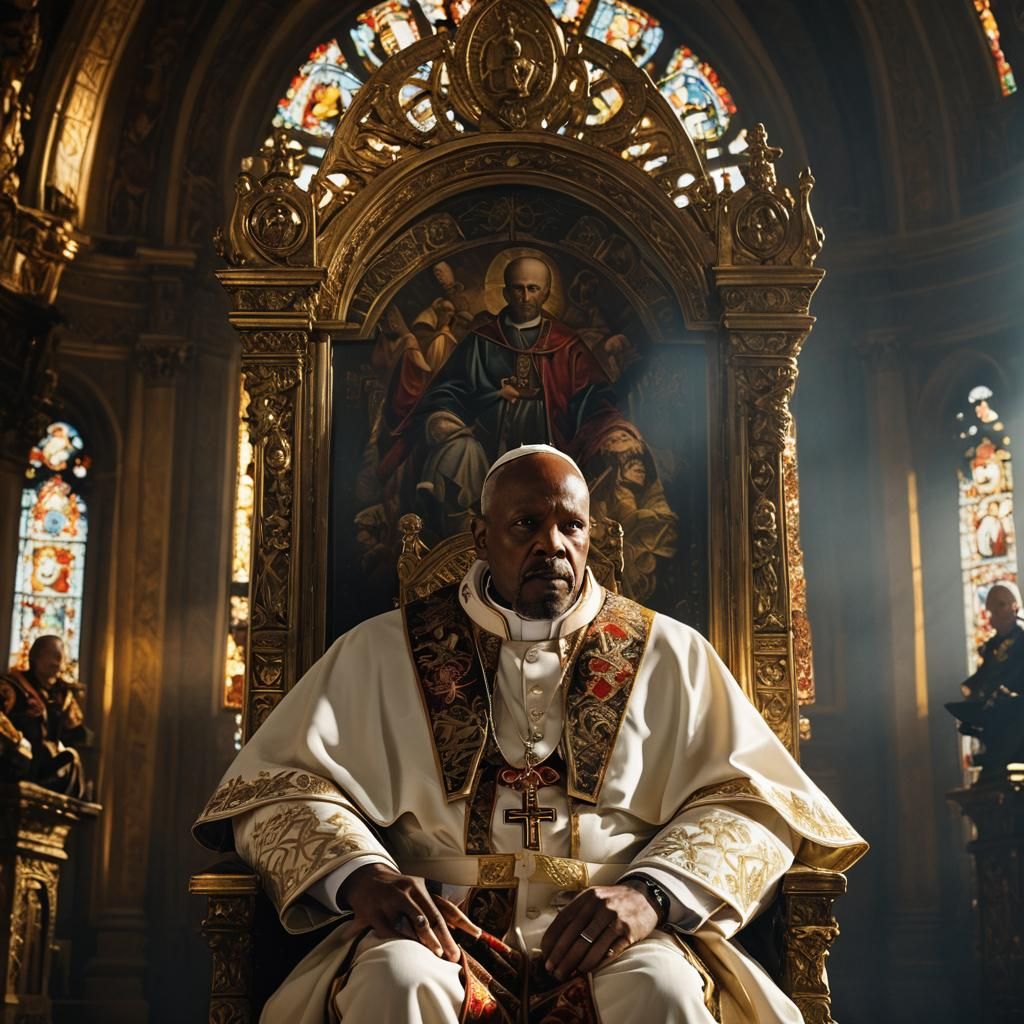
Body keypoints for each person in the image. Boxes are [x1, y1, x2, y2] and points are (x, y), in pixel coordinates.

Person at [194, 445, 867, 1023]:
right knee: (394, 982)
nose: (553, 544)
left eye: (572, 525)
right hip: (436, 930)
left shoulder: (670, 653)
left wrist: (651, 895)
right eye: (527, 524)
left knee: (661, 991)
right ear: (480, 536)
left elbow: (755, 801)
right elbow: (276, 786)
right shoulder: (381, 651)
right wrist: (360, 876)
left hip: (614, 937)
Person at [377, 255, 639, 536]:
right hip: (485, 442)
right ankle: (460, 533)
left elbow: (594, 398)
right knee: (457, 452)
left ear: (546, 293)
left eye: (533, 289)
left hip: (549, 448)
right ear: (505, 292)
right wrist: (488, 397)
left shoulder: (566, 345)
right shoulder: (482, 340)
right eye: (518, 288)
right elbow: (448, 391)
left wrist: (613, 428)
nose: (525, 297)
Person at [949, 582, 1024, 779]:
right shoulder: (991, 646)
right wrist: (970, 689)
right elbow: (985, 674)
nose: (996, 612)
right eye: (992, 608)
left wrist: (1006, 691)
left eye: (1001, 605)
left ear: (1015, 606)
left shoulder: (1022, 641)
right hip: (993, 708)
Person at [0, 634, 88, 795]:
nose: (58, 661)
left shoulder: (62, 694)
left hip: (48, 765)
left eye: (62, 656)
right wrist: (18, 738)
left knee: (72, 758)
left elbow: (76, 732)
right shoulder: (11, 686)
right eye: (53, 655)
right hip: (18, 763)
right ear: (35, 657)